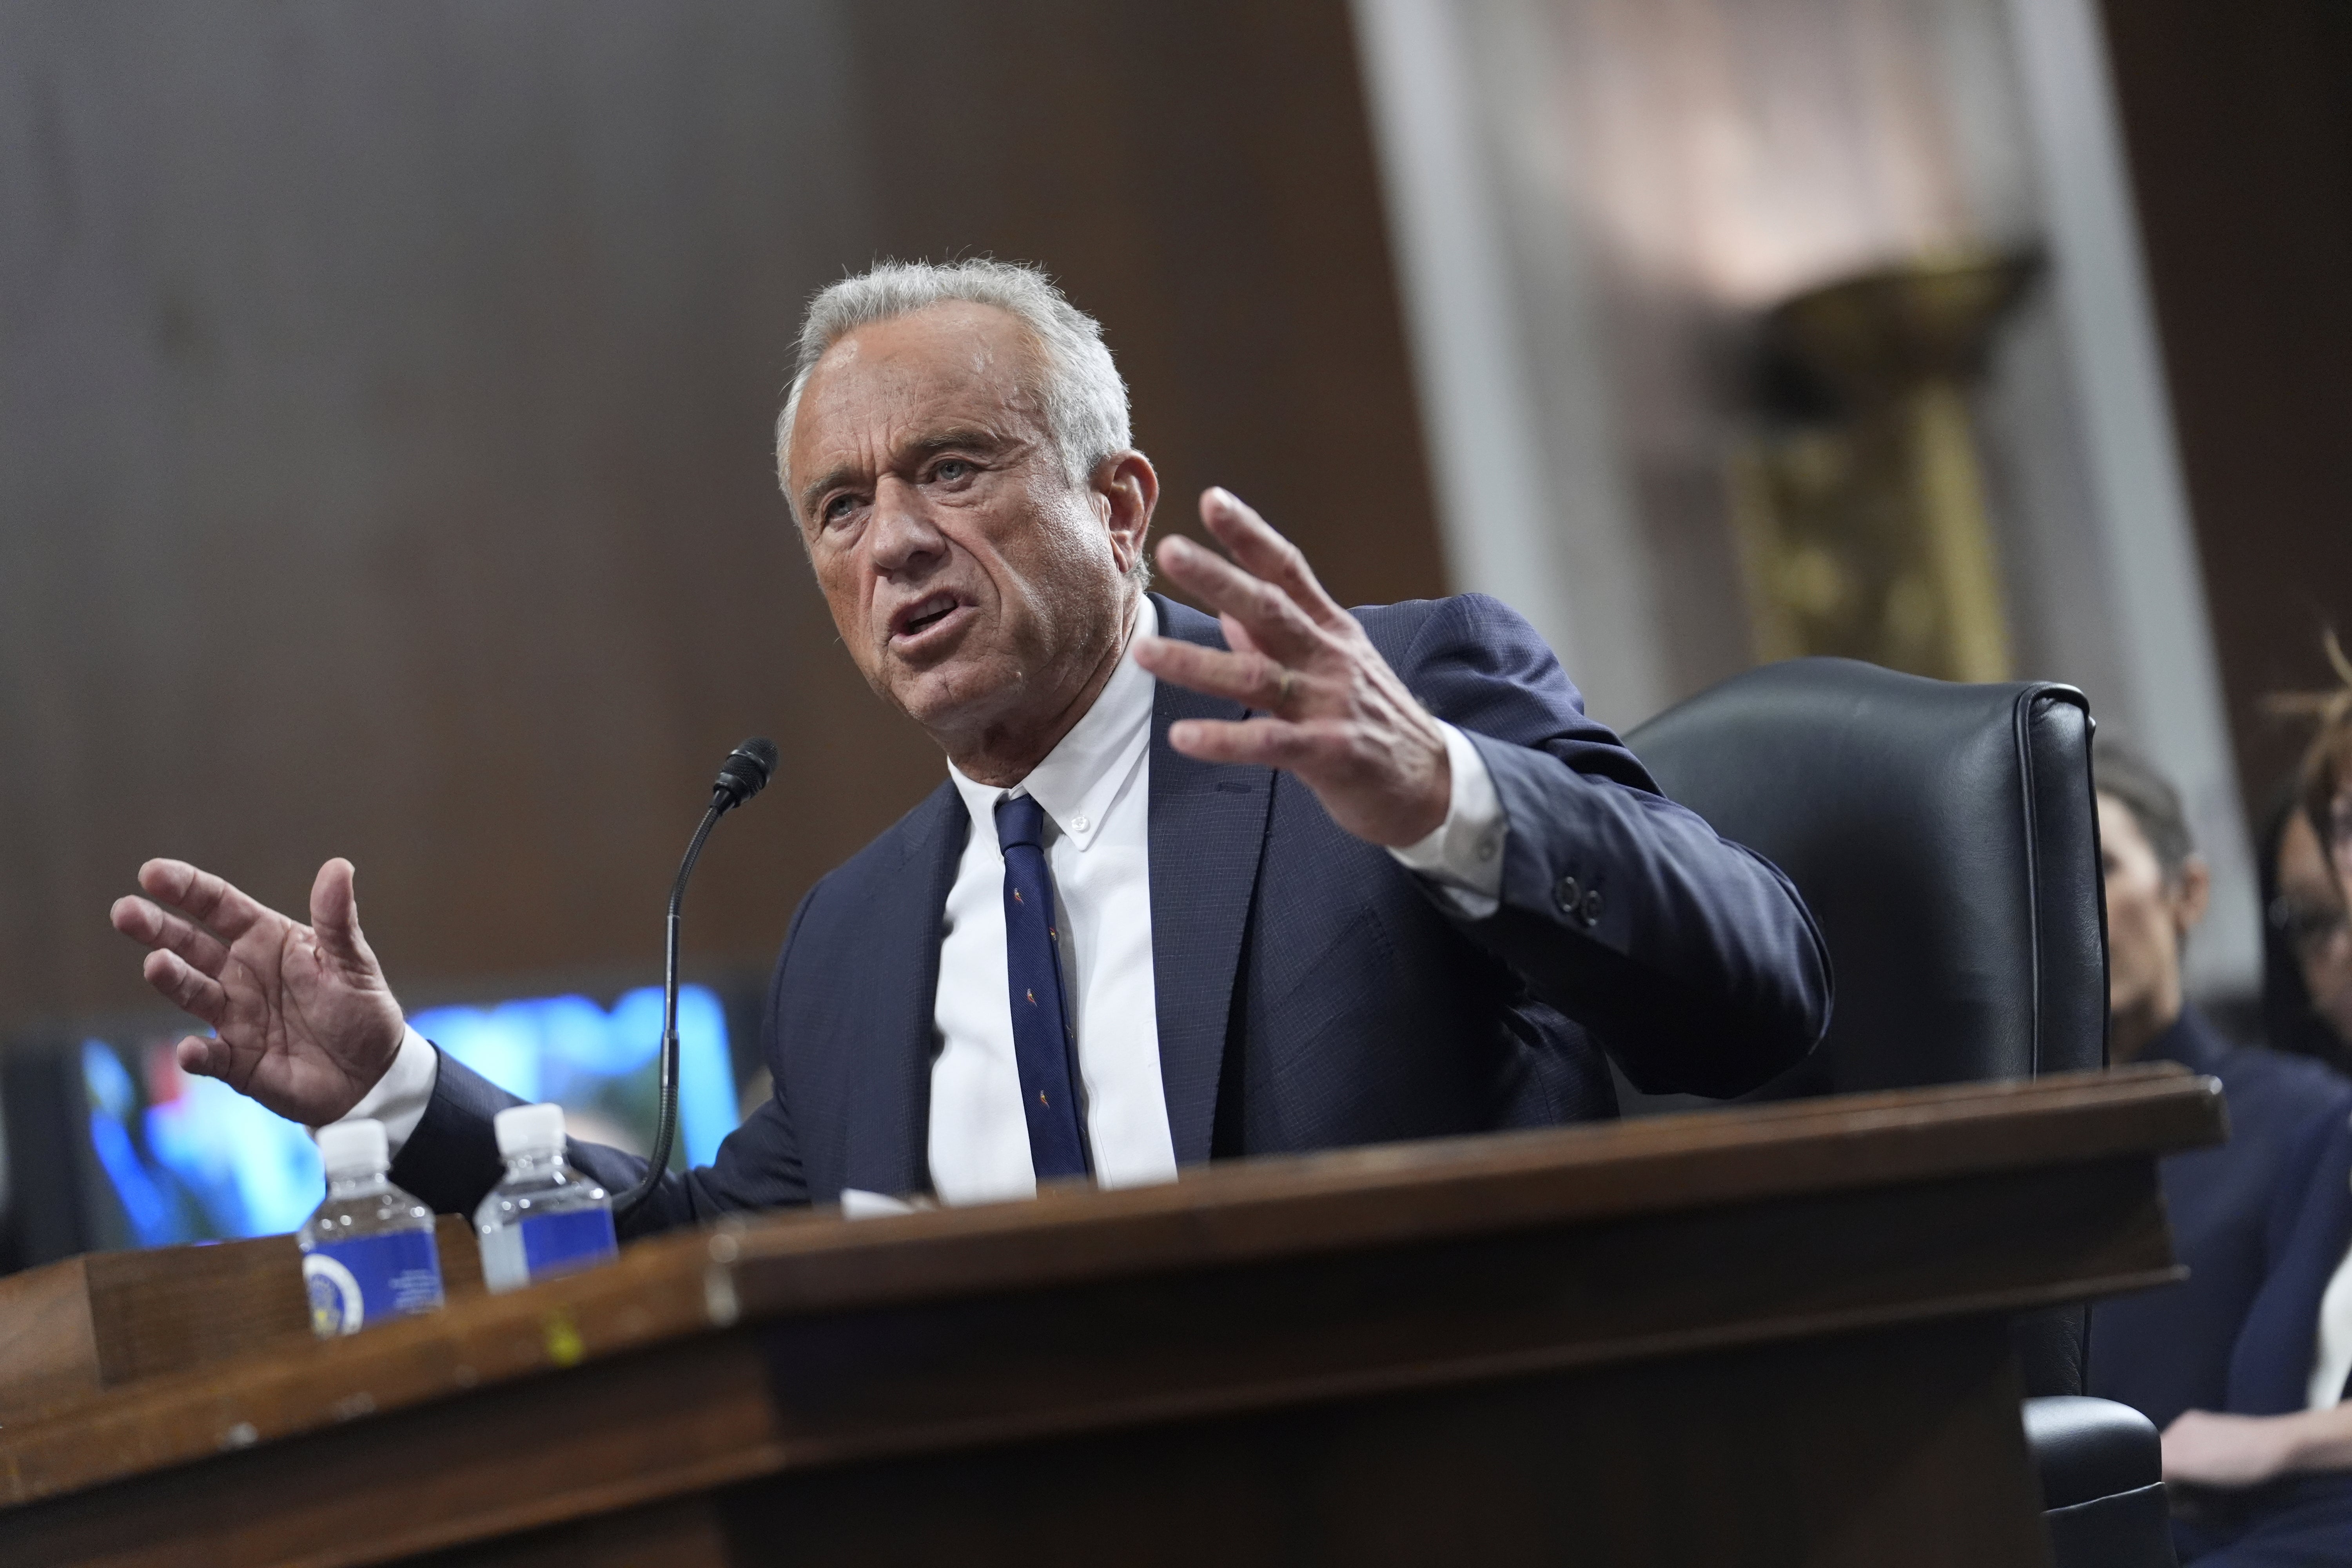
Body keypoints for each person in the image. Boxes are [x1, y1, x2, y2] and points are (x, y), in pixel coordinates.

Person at [107, 259, 1831, 1227]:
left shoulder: (1372, 708)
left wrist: (1449, 794)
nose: (897, 544)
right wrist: (400, 1092)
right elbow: (698, 1250)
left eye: (952, 470)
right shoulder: (858, 941)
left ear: (1118, 499)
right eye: (841, 509)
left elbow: (1758, 993)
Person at [2086, 736, 2352, 1434]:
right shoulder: (2008, 1161)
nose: (2072, 906)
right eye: (2039, 880)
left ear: (2188, 892)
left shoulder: (2303, 1118)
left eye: (2102, 867)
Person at [2158, 664, 2352, 1563]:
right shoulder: (2332, 1141)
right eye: (2311, 922)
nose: (2343, 932)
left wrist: (2279, 1443)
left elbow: (2254, 1443)